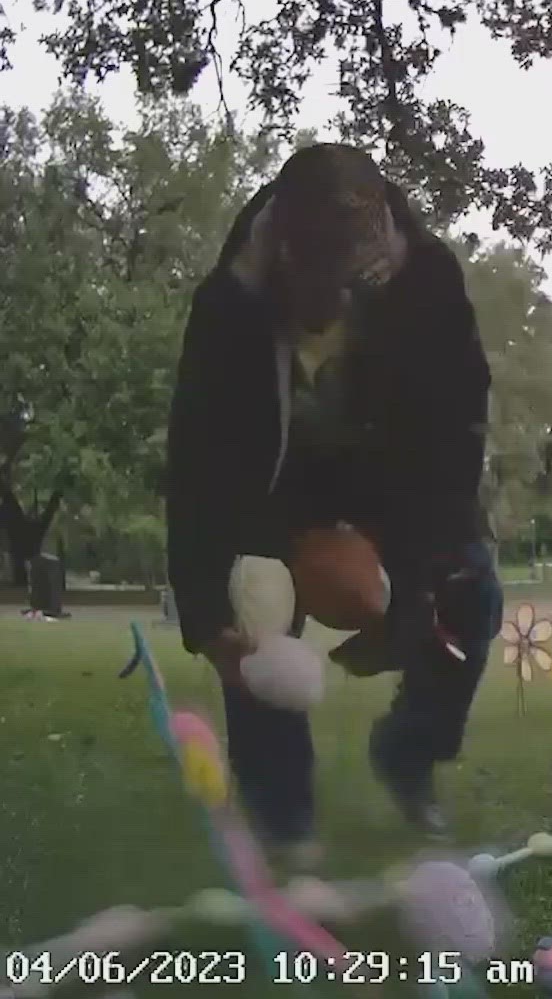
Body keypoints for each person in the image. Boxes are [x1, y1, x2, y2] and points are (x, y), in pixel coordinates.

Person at [166, 143, 499, 858]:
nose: (331, 303)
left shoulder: (429, 282)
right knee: (254, 610)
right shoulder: (227, 307)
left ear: (378, 258)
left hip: (392, 485)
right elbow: (197, 462)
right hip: (277, 495)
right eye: (314, 280)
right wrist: (205, 612)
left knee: (471, 593)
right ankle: (285, 823)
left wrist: (415, 583)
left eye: (351, 285)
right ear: (282, 251)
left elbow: (457, 431)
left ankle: (410, 753)